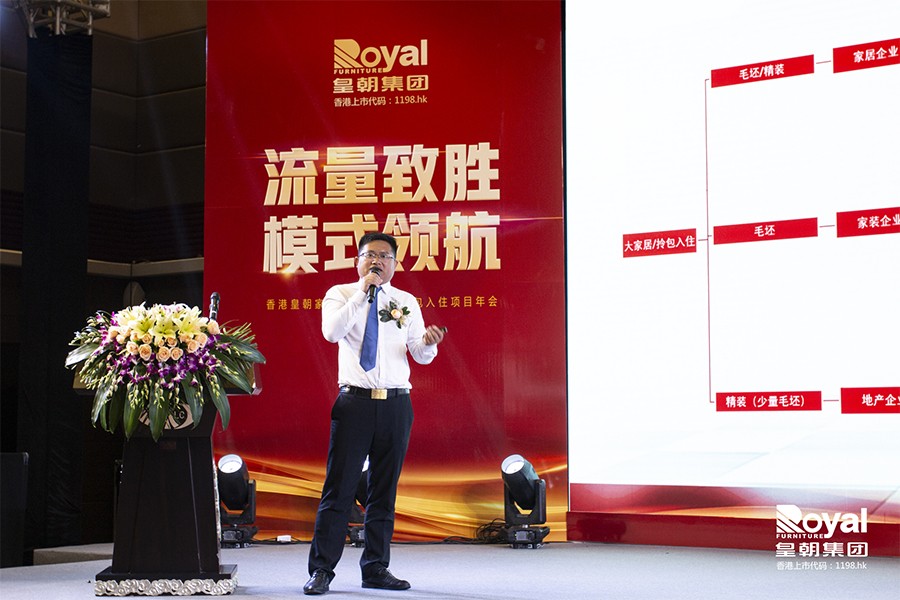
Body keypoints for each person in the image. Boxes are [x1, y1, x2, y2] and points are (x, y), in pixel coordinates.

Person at [303, 232, 445, 595]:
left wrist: (428, 343)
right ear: (358, 261)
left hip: (396, 404)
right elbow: (331, 332)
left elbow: (419, 353)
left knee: (383, 491)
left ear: (395, 264)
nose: (377, 261)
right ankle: (322, 570)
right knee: (339, 488)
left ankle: (376, 568)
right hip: (355, 403)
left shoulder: (406, 301)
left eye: (384, 256)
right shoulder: (340, 294)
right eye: (370, 255)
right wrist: (364, 292)